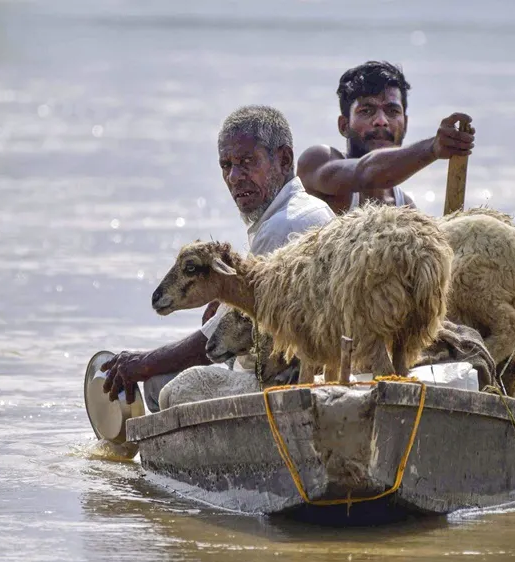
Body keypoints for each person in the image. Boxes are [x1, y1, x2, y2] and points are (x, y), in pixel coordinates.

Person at [100, 105, 336, 411]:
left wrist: (144, 363)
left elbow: (209, 344)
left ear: (284, 159)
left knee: (160, 387)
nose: (235, 177)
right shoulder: (300, 211)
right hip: (289, 366)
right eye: (226, 165)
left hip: (287, 379)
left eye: (247, 162)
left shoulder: (283, 227)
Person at [298, 60, 476, 215]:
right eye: (366, 111)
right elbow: (366, 172)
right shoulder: (318, 161)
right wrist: (432, 148)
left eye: (392, 111)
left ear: (405, 124)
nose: (381, 121)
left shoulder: (405, 209)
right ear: (344, 125)